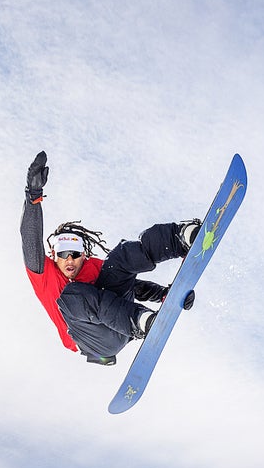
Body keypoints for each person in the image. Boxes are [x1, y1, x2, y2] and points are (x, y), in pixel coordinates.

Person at [20, 151, 202, 366]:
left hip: (120, 322)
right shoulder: (45, 275)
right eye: (62, 254)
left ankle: (181, 238)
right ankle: (140, 321)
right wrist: (33, 197)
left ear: (84, 255)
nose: (70, 260)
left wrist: (167, 295)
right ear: (53, 256)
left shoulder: (93, 268)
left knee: (121, 256)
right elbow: (30, 240)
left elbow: (133, 287)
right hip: (96, 341)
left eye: (75, 254)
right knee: (72, 296)